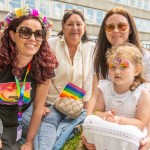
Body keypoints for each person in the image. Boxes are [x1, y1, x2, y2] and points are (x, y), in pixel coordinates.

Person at [21, 9, 96, 150]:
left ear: (84, 27)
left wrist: (86, 105)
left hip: (75, 104)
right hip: (50, 103)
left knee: (72, 126)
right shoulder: (50, 44)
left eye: (79, 24)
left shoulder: (91, 48)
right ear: (62, 27)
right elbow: (38, 73)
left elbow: (90, 78)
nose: (75, 28)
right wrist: (40, 104)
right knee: (46, 122)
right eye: (70, 24)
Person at [82, 7, 150, 150]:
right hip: (107, 124)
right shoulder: (100, 57)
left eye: (122, 26)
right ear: (105, 30)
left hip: (133, 127)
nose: (116, 30)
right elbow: (95, 95)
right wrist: (86, 128)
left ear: (130, 29)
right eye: (110, 26)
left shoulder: (145, 58)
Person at [0, 6, 58, 150]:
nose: (33, 39)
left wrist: (29, 142)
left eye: (38, 34)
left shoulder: (44, 69)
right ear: (12, 35)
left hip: (16, 125)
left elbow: (38, 108)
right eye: (25, 32)